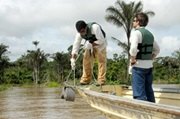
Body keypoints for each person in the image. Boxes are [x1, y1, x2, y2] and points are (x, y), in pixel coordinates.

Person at [129, 12, 160, 102]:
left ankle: (142, 114)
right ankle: (153, 112)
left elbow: (133, 49)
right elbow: (157, 50)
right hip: (149, 66)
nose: (133, 23)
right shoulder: (150, 34)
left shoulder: (136, 33)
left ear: (138, 22)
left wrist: (133, 59)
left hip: (138, 66)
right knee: (149, 91)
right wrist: (151, 58)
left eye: (134, 21)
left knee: (139, 94)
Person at [70, 20, 107, 85]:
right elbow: (76, 45)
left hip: (100, 44)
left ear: (86, 27)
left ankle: (101, 80)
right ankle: (86, 79)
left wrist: (92, 43)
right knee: (86, 60)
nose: (82, 33)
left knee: (101, 61)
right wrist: (73, 58)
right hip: (89, 45)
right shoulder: (79, 34)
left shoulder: (95, 27)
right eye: (80, 32)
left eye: (82, 31)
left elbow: (101, 40)